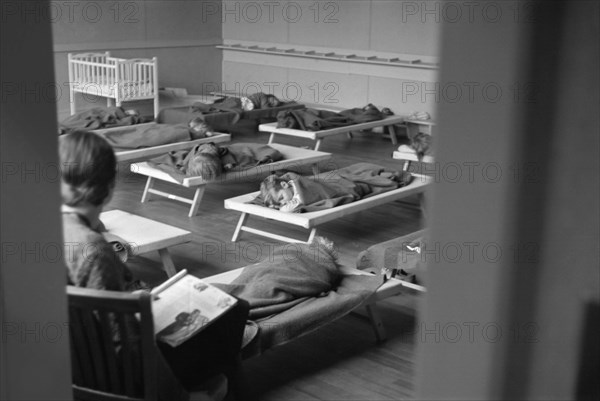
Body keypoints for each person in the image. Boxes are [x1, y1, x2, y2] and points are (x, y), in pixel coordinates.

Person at [59, 130, 249, 394]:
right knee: (235, 310)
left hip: (67, 365)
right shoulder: (92, 251)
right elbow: (127, 345)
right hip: (114, 377)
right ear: (108, 188)